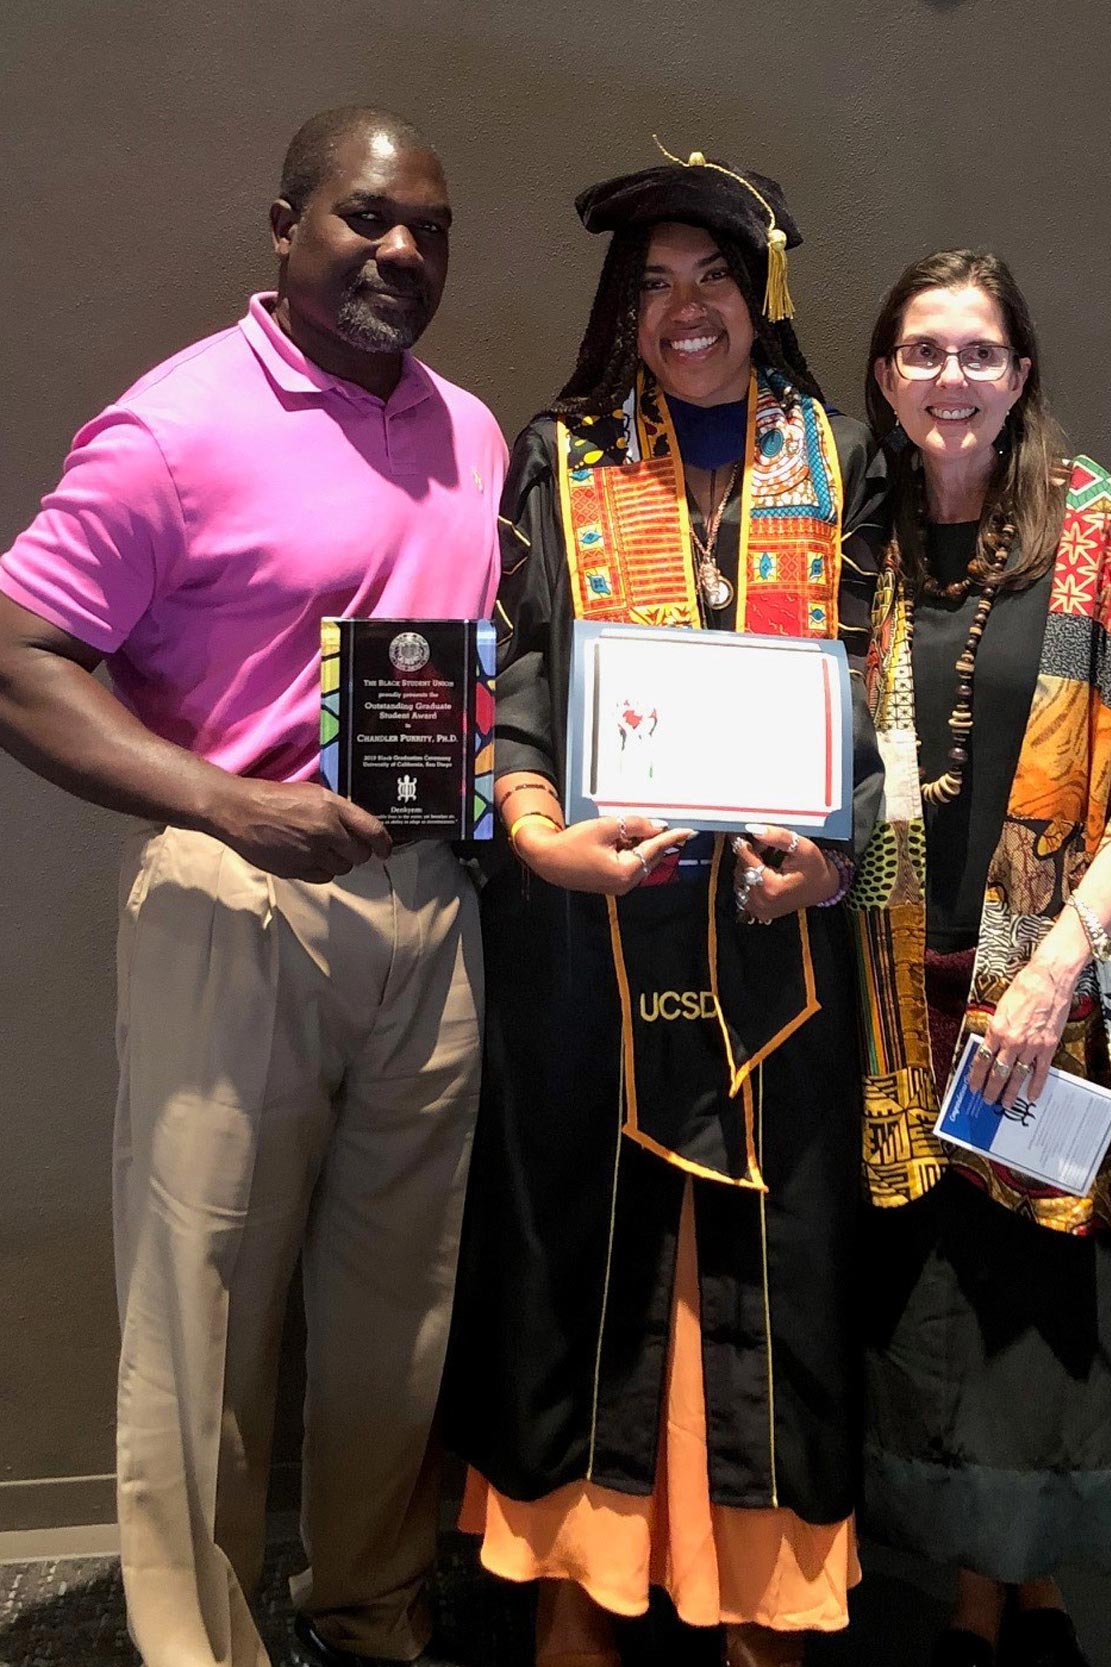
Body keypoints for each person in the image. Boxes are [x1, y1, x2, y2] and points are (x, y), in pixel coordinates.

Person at [0, 107, 506, 1667]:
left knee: (398, 1315)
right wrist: (226, 803)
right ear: (284, 226)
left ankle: (370, 1612)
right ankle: (196, 1645)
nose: (399, 252)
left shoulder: (472, 429)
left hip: (433, 912)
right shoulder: (173, 428)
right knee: (200, 1310)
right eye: (364, 220)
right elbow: (19, 660)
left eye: (425, 226)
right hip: (237, 902)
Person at [443, 149, 886, 1667]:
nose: (682, 309)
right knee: (588, 1253)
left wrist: (837, 855)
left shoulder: (841, 458)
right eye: (650, 285)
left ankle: (761, 1602)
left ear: (760, 294)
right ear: (616, 310)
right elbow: (519, 676)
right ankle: (583, 1594)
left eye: (709, 277)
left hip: (783, 953)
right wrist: (532, 829)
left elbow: (878, 701)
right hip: (593, 935)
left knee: (779, 1270)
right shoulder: (557, 456)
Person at [850, 249, 1111, 1667]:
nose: (949, 379)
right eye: (922, 352)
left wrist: (1057, 955)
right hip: (883, 987)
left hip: (1045, 990)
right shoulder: (849, 544)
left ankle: (1033, 1593)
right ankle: (956, 1580)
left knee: (1043, 1297)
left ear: (1020, 372)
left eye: (975, 352)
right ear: (883, 374)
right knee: (928, 1290)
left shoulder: (1103, 531)